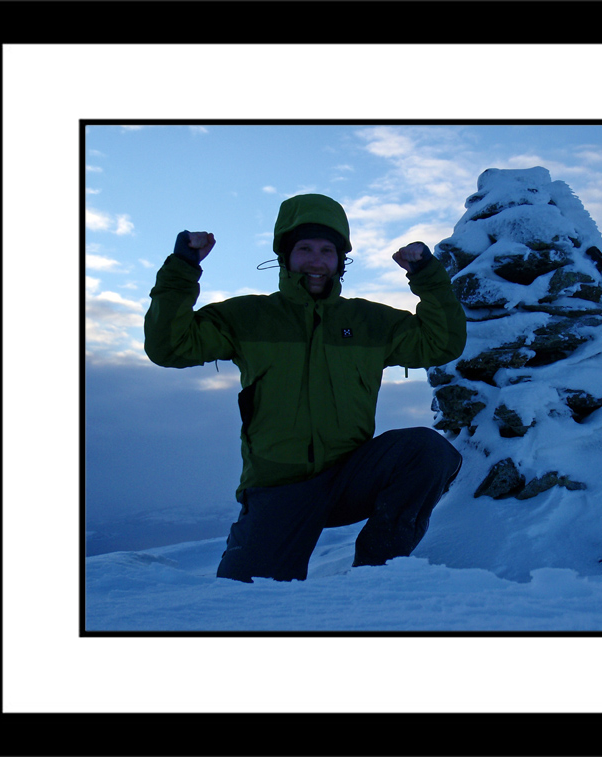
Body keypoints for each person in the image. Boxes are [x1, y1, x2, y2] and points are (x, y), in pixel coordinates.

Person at [144, 193, 467, 582]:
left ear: (340, 260)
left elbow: (441, 342)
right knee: (244, 599)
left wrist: (426, 274)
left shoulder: (369, 322)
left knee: (427, 450)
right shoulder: (248, 317)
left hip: (350, 476)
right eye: (305, 249)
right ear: (286, 255)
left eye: (327, 251)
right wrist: (183, 267)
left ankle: (376, 577)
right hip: (279, 488)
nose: (316, 261)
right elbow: (169, 346)